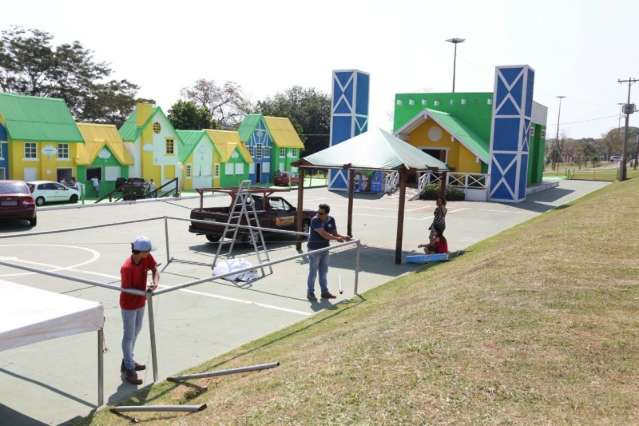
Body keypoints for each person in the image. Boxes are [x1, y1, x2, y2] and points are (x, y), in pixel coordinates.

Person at [119, 236, 160, 385]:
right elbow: (127, 289)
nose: (149, 254)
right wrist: (144, 292)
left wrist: (154, 284)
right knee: (129, 335)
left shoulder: (146, 258)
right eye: (148, 251)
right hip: (129, 304)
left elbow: (155, 270)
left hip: (141, 302)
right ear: (141, 251)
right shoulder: (126, 268)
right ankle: (129, 368)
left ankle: (127, 360)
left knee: (136, 331)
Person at [306, 204, 351, 301]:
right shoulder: (315, 220)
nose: (318, 214)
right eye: (317, 212)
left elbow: (334, 233)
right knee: (313, 273)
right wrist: (337, 238)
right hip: (314, 250)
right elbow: (324, 234)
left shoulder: (331, 219)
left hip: (325, 249)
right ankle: (310, 293)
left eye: (321, 213)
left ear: (326, 214)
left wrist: (343, 237)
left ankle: (324, 292)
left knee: (323, 272)